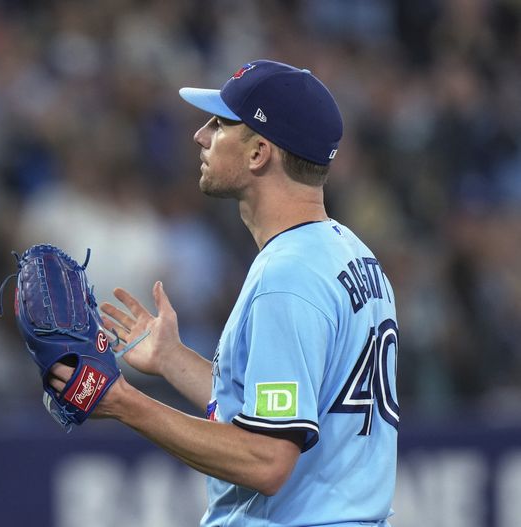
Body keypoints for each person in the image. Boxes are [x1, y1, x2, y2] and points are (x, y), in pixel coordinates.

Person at [50, 60, 399, 527]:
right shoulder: (349, 255)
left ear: (258, 153)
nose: (200, 135)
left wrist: (123, 402)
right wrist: (173, 359)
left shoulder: (288, 276)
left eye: (219, 124)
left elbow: (267, 460)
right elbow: (283, 408)